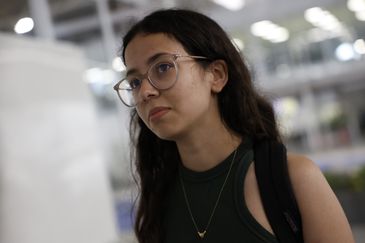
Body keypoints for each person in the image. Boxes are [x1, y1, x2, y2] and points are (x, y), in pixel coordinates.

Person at [113, 9, 354, 243]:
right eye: (134, 82)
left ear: (216, 75)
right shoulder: (158, 200)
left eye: (163, 67)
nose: (145, 91)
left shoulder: (294, 178)